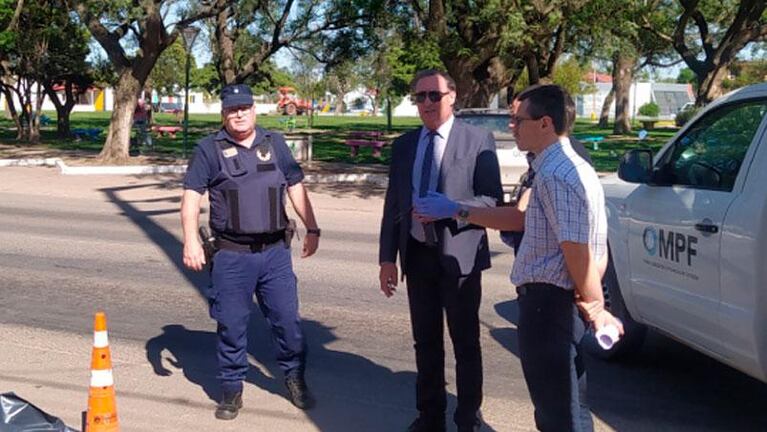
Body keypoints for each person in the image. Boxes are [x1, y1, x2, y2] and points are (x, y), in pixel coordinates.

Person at [416, 85, 622, 431]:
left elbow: (578, 250)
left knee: (559, 414)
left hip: (549, 305)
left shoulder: (558, 175)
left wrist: (597, 305)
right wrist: (457, 210)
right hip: (551, 305)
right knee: (565, 406)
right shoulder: (557, 166)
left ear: (544, 123)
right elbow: (520, 218)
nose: (511, 126)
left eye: (517, 120)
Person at [180, 84, 321, 420]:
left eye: (244, 107)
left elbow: (296, 187)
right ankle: (231, 389)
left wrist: (313, 228)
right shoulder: (209, 149)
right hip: (231, 255)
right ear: (223, 113)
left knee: (287, 320)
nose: (239, 113)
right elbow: (190, 197)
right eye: (232, 109)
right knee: (231, 324)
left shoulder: (274, 144)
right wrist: (190, 239)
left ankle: (294, 377)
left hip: (274, 253)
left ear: (255, 110)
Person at [378, 69, 503, 432]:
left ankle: (468, 418)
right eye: (421, 97)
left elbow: (491, 200)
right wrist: (387, 258)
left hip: (459, 257)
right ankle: (429, 416)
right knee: (425, 341)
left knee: (465, 343)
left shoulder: (478, 139)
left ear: (452, 96)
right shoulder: (404, 145)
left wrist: (451, 206)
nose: (428, 103)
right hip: (417, 255)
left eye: (435, 95)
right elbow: (393, 207)